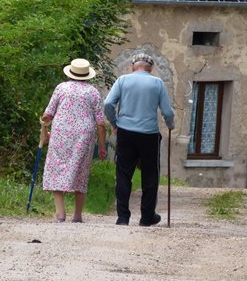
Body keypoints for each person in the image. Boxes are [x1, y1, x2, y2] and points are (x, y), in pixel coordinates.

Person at [104, 53, 175, 226]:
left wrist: (115, 123)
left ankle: (122, 217)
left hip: (126, 132)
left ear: (132, 65)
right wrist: (170, 124)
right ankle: (146, 217)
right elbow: (167, 111)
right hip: (149, 135)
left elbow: (107, 104)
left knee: (123, 173)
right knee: (150, 175)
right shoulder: (157, 83)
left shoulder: (122, 80)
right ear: (151, 69)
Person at [40, 58, 107, 223]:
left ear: (71, 73)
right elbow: (100, 123)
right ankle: (77, 215)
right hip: (84, 135)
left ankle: (60, 214)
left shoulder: (61, 88)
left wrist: (44, 126)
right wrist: (102, 146)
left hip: (61, 133)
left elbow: (48, 114)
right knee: (81, 172)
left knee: (56, 168)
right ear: (87, 75)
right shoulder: (93, 92)